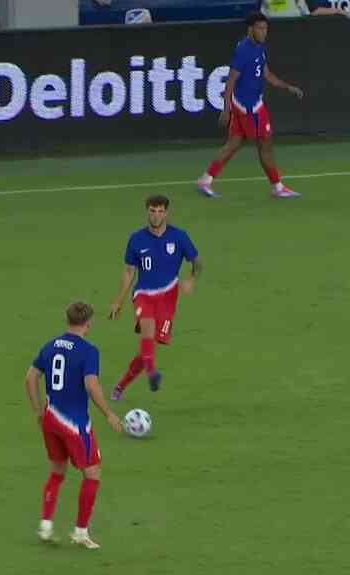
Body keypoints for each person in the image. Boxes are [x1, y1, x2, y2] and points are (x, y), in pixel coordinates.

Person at [25, 302, 123, 550]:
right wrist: (109, 414)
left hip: (50, 419)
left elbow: (30, 377)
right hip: (75, 425)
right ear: (88, 323)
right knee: (92, 473)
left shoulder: (51, 346)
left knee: (57, 471)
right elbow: (91, 386)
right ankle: (80, 532)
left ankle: (45, 526)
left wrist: (38, 410)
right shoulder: (89, 351)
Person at [197, 11, 303, 200]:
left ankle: (205, 180)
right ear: (250, 29)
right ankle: (277, 187)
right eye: (260, 28)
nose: (264, 32)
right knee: (265, 144)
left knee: (234, 143)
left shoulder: (260, 48)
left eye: (266, 29)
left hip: (248, 104)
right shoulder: (243, 51)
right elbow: (230, 81)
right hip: (249, 108)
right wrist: (226, 109)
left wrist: (287, 87)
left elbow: (266, 73)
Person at [108, 195, 201, 400]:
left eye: (160, 211)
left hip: (168, 297)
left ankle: (120, 387)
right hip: (144, 295)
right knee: (147, 330)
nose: (156, 215)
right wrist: (119, 300)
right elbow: (129, 272)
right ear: (147, 212)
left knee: (147, 349)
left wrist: (191, 280)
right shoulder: (136, 239)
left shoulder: (179, 237)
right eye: (152, 211)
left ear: (166, 213)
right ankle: (152, 372)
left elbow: (197, 261)